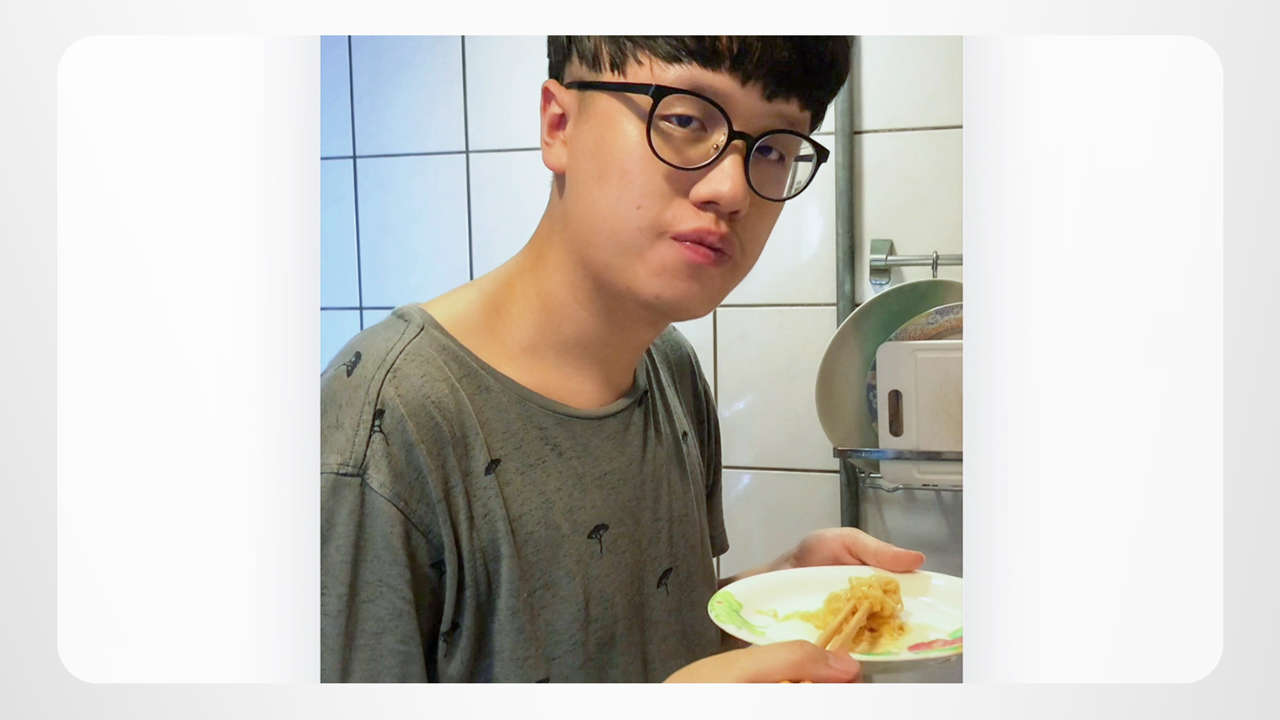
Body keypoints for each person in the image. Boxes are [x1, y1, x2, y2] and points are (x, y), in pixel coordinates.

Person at [321, 35, 925, 683]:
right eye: (686, 119)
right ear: (559, 125)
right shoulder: (386, 419)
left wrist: (782, 591)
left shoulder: (670, 368)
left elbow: (645, 636)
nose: (732, 190)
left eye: (773, 149)